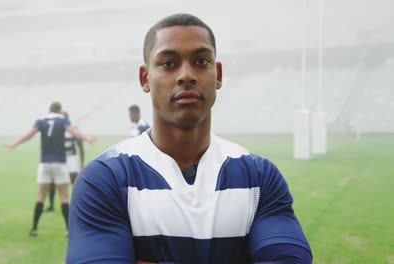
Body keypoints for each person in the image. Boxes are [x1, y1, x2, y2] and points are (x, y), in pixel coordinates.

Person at [66, 13, 312, 263]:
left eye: (201, 61)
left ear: (218, 74)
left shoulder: (260, 178)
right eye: (168, 63)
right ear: (145, 79)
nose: (186, 75)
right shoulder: (104, 179)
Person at [5, 102, 95, 237]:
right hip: (60, 163)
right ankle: (69, 230)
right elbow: (73, 131)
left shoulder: (41, 121)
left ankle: (34, 229)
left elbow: (29, 134)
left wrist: (14, 144)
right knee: (64, 197)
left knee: (40, 197)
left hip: (45, 164)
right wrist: (87, 138)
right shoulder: (63, 120)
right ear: (59, 111)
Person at [45, 111, 85, 212]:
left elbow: (80, 146)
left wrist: (82, 161)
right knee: (52, 182)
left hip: (71, 158)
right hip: (59, 158)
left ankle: (79, 205)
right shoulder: (57, 129)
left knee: (74, 182)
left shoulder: (74, 129)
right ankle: (51, 206)